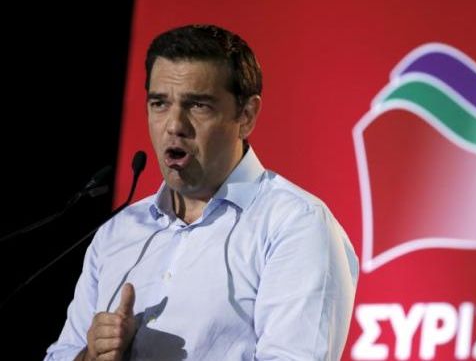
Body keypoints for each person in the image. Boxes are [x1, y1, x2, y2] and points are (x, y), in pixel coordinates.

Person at [45, 24, 359, 360]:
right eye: (159, 103)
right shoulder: (118, 231)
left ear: (246, 115)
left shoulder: (295, 224)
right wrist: (90, 356)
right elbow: (62, 354)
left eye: (198, 105)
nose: (174, 125)